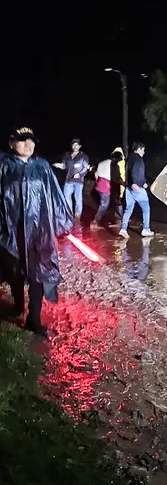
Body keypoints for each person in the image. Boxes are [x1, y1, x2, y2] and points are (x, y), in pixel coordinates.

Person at [0, 127, 74, 336]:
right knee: (13, 271)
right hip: (10, 232)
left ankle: (34, 319)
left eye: (31, 140)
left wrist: (62, 223)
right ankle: (17, 305)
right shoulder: (4, 167)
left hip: (39, 232)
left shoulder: (42, 167)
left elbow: (55, 196)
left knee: (38, 275)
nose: (28, 144)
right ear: (12, 143)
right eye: (23, 140)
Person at [119, 142, 155, 239]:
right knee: (146, 208)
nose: (144, 152)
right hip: (136, 187)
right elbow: (137, 171)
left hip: (128, 188)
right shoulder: (138, 159)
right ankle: (146, 229)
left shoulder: (129, 158)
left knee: (128, 209)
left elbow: (127, 172)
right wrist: (139, 183)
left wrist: (131, 183)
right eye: (143, 150)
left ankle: (123, 229)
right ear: (139, 149)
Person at [53, 138, 90, 219]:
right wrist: (59, 165)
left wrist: (79, 174)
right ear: (72, 146)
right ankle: (69, 214)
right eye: (73, 144)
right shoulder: (67, 155)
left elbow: (85, 168)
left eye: (77, 144)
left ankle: (77, 216)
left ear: (80, 146)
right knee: (66, 198)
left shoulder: (84, 156)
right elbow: (64, 166)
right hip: (68, 180)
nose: (75, 146)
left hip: (78, 182)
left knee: (78, 199)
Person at [93, 150, 116, 226]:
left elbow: (96, 174)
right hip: (107, 185)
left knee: (105, 203)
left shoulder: (101, 163)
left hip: (100, 184)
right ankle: (95, 221)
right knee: (104, 204)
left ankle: (115, 218)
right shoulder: (113, 164)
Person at [111, 147, 126, 221]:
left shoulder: (120, 163)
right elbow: (117, 176)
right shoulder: (116, 164)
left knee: (118, 200)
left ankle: (118, 215)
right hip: (118, 184)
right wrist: (123, 183)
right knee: (118, 200)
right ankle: (121, 217)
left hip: (119, 184)